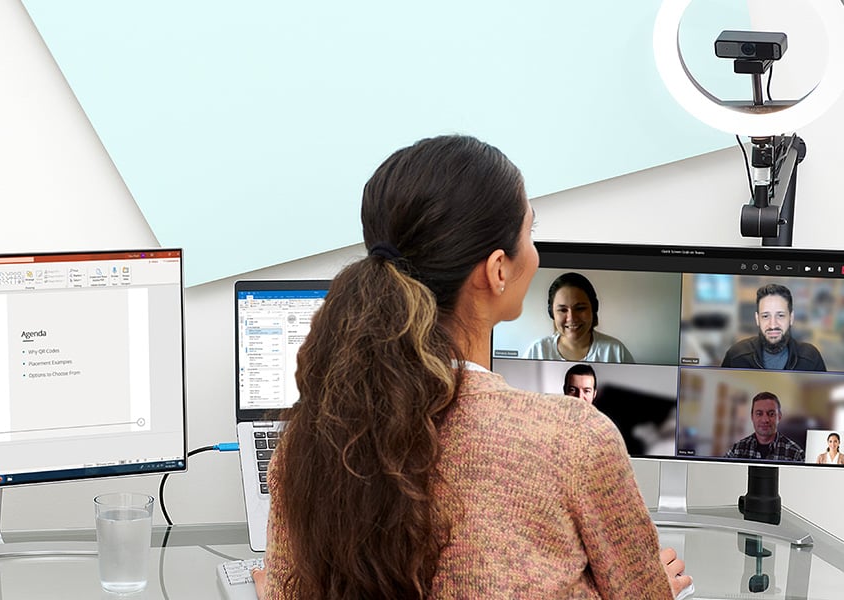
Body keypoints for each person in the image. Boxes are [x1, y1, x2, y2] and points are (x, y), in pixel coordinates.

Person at [251, 135, 690, 598]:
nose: (535, 252)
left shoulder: (305, 446)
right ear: (498, 269)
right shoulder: (574, 440)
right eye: (530, 232)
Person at [525, 272, 634, 363]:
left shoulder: (615, 351)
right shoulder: (537, 351)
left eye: (580, 308)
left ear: (593, 309)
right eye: (563, 310)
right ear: (551, 313)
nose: (571, 318)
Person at [720, 284, 826, 371]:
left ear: (791, 318)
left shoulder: (811, 358)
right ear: (757, 319)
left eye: (780, 315)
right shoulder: (736, 356)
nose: (773, 325)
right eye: (765, 316)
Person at [725, 392, 804, 461]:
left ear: (779, 417)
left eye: (771, 414)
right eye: (759, 414)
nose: (765, 420)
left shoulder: (796, 453)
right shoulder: (737, 449)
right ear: (752, 417)